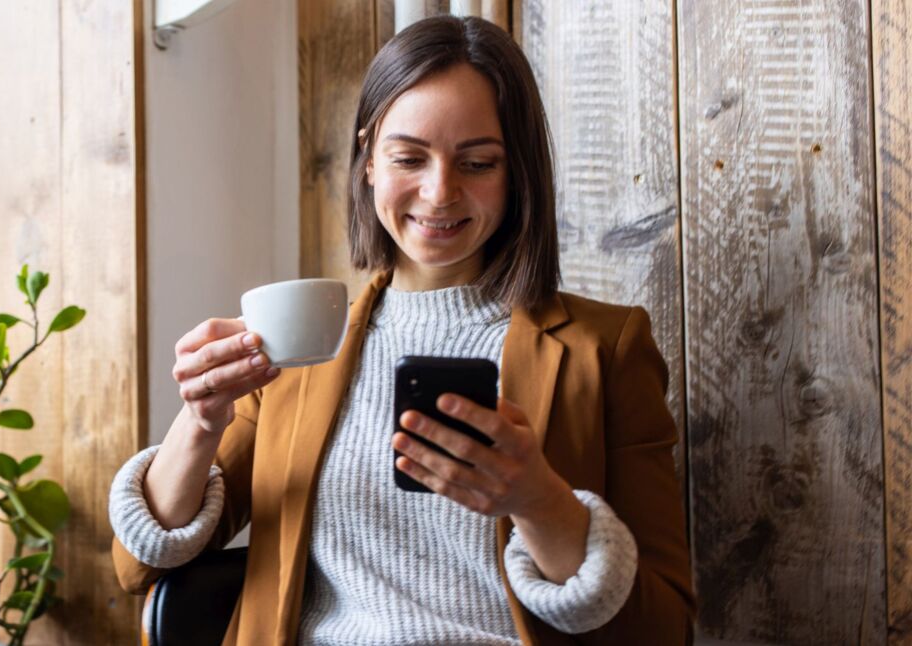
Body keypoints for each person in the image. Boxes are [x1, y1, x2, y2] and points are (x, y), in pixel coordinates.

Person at [110, 14, 695, 645]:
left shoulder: (604, 349)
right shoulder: (298, 347)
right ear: (367, 161)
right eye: (409, 157)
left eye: (477, 162)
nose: (440, 192)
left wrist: (538, 500)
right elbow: (141, 563)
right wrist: (199, 421)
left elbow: (662, 627)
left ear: (518, 173)